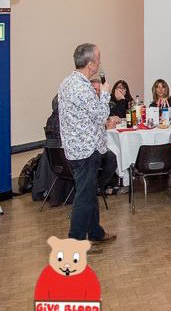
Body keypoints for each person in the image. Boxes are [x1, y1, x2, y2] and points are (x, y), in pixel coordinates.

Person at [57, 43, 117, 243]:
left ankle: (96, 232)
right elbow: (101, 115)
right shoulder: (81, 87)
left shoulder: (67, 82)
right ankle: (74, 241)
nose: (100, 63)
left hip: (77, 148)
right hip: (85, 150)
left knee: (89, 192)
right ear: (91, 64)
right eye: (99, 59)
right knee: (84, 196)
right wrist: (106, 93)